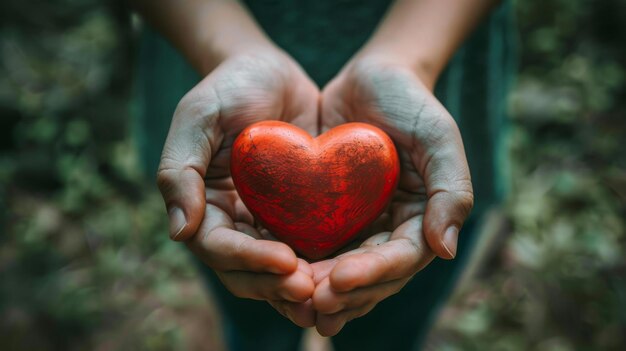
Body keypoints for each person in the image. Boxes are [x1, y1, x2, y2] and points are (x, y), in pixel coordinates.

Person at [131, 0, 515, 350]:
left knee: (392, 327)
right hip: (220, 136)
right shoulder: (226, 155)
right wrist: (224, 50)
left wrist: (409, 59)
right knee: (255, 317)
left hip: (419, 152)